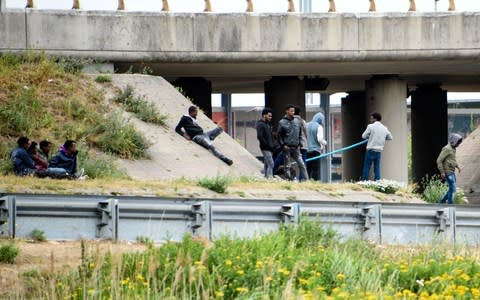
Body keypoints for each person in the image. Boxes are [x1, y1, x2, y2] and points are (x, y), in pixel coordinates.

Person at [277, 104, 308, 181]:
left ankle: (307, 180)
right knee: (287, 165)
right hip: (287, 147)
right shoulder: (282, 122)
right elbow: (279, 135)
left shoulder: (297, 122)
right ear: (287, 111)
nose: (292, 112)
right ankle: (289, 180)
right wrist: (283, 145)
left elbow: (300, 134)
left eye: (293, 111)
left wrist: (300, 143)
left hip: (296, 147)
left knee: (302, 164)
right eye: (291, 111)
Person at [361, 112, 393, 181]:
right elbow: (390, 138)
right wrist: (382, 137)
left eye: (371, 118)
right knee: (377, 167)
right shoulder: (384, 128)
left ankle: (364, 181)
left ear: (375, 118)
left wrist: (370, 136)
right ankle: (377, 181)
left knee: (367, 167)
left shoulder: (370, 126)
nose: (370, 119)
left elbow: (363, 136)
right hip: (378, 151)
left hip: (370, 150)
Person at [437, 133, 463, 205]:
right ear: (454, 141)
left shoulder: (453, 149)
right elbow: (439, 160)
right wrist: (442, 172)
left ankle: (441, 202)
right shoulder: (447, 149)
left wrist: (458, 167)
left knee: (451, 189)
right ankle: (450, 204)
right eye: (458, 143)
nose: (459, 144)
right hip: (447, 172)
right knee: (453, 189)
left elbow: (452, 160)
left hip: (452, 172)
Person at [306, 112, 327, 181]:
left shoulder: (306, 125)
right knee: (316, 169)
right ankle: (315, 182)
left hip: (307, 150)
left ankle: (306, 182)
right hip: (316, 151)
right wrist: (325, 143)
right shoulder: (319, 126)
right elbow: (320, 139)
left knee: (308, 167)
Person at [256, 108, 275, 178]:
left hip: (270, 147)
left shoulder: (268, 125)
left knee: (267, 163)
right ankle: (270, 178)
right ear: (264, 115)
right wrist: (266, 144)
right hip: (265, 148)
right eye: (269, 116)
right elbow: (259, 136)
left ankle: (266, 177)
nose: (271, 118)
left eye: (271, 116)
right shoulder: (260, 124)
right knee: (271, 163)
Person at [294, 106, 308, 181]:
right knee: (303, 163)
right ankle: (302, 179)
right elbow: (306, 133)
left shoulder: (290, 121)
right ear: (299, 113)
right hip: (303, 145)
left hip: (293, 145)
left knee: (286, 160)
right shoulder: (302, 121)